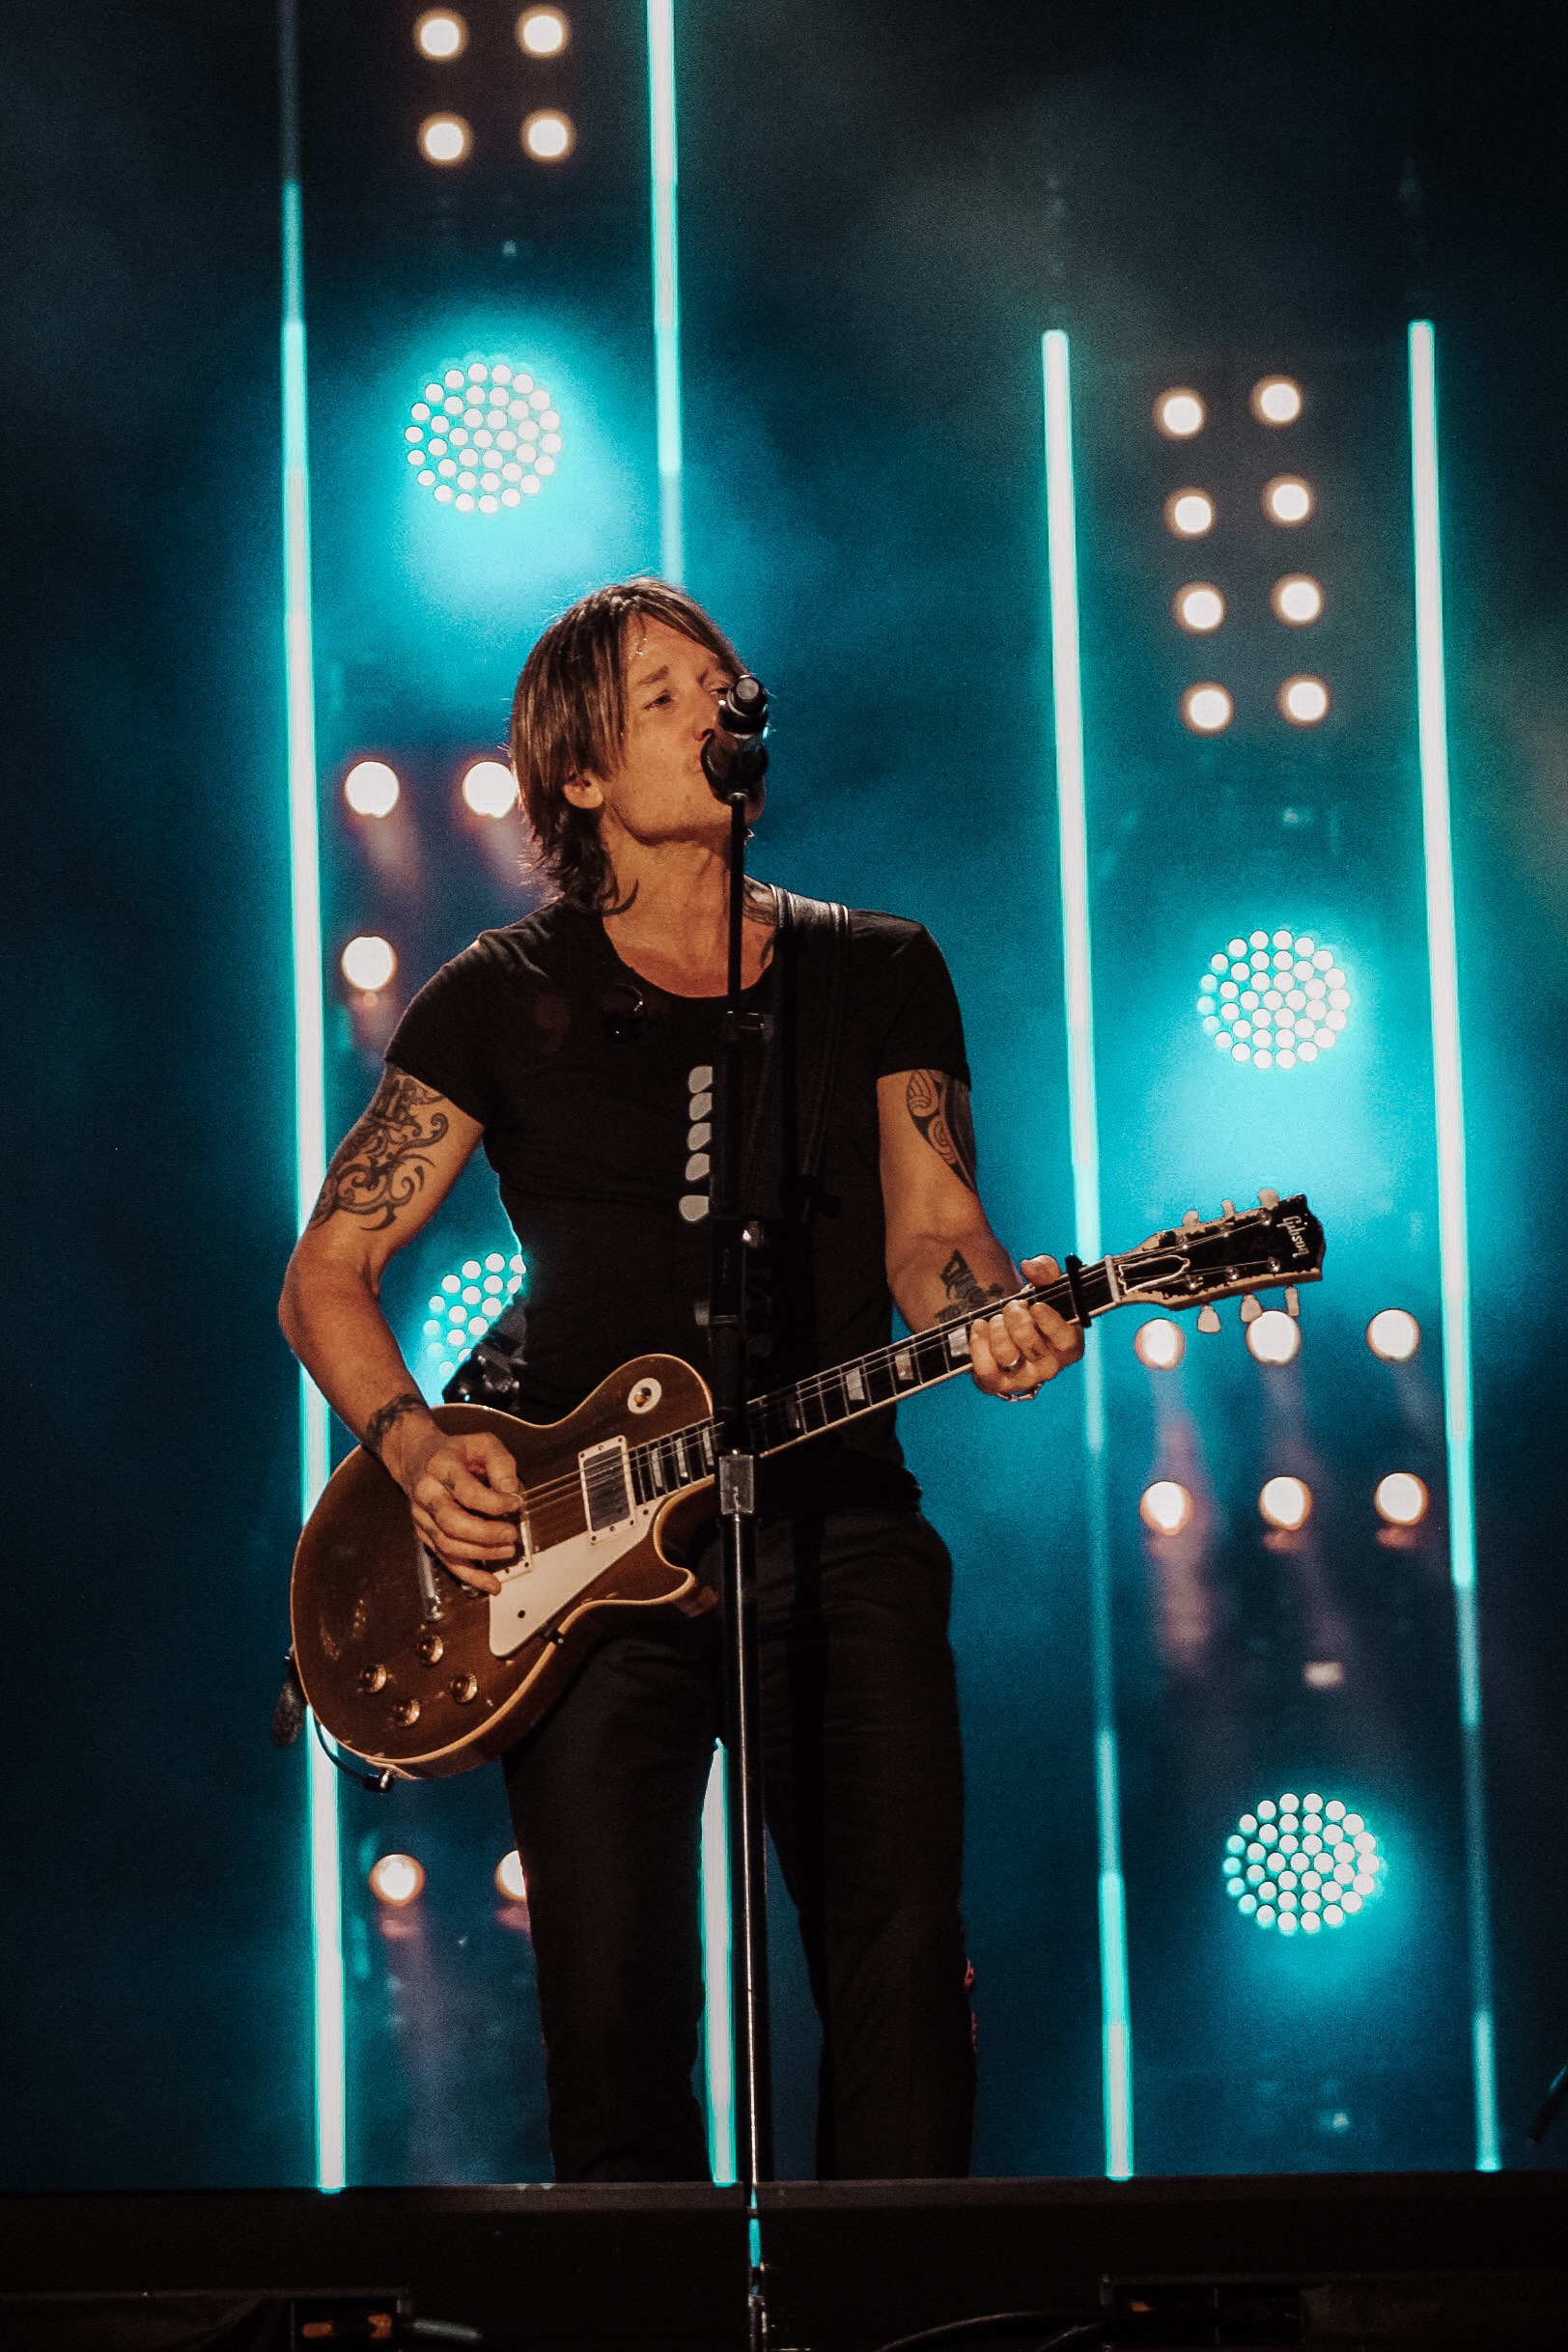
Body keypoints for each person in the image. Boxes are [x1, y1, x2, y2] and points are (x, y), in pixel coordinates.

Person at [279, 578, 1081, 2183]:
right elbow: (326, 1273)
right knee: (616, 2012)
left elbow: (939, 1240)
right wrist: (414, 1446)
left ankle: (893, 2297)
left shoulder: (879, 969)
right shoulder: (499, 992)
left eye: (722, 683)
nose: (712, 706)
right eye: (661, 697)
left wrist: (1001, 1316)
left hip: (837, 1528)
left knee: (903, 1962)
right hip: (582, 1562)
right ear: (579, 773)